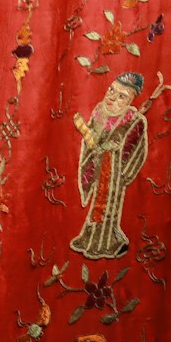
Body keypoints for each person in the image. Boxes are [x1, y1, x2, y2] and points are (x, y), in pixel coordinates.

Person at [70, 72, 149, 260]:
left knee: (107, 208)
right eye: (111, 90)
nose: (112, 97)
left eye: (121, 96)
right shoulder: (99, 110)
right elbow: (91, 136)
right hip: (97, 165)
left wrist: (122, 172)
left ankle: (105, 243)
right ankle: (88, 237)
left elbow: (135, 150)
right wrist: (91, 140)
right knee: (95, 207)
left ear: (131, 99)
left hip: (113, 172)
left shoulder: (134, 119)